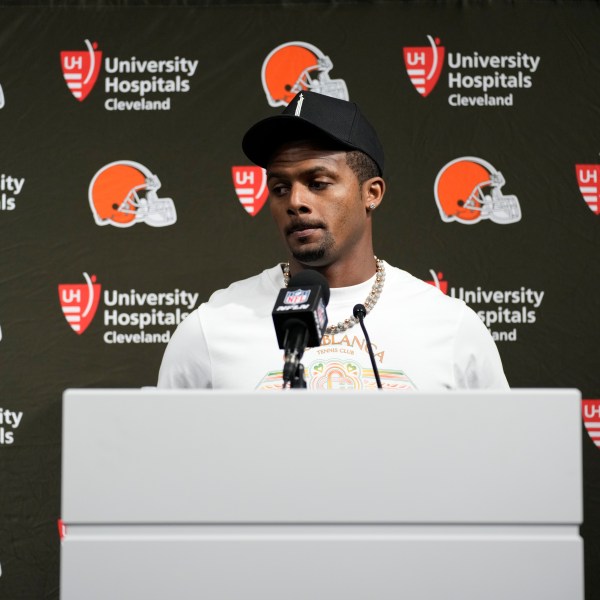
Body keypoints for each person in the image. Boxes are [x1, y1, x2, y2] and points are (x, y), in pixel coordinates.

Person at [158, 91, 509, 391]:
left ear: (371, 193)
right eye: (280, 188)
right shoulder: (212, 327)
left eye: (318, 183)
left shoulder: (449, 327)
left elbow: (502, 457)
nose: (295, 201)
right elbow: (162, 459)